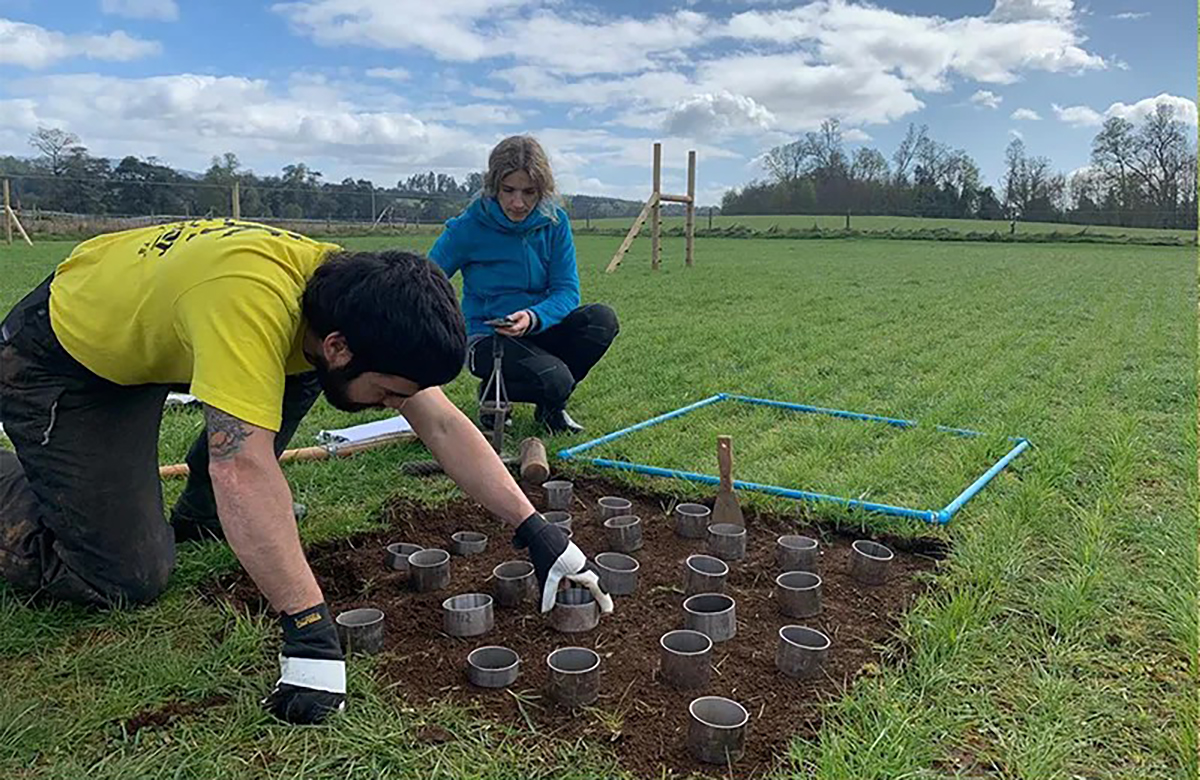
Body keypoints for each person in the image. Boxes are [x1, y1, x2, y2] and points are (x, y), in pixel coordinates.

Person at [0, 218, 610, 725]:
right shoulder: (253, 308)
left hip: (156, 323)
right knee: (127, 574)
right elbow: (240, 462)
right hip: (66, 360)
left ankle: (206, 514)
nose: (398, 405)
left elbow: (443, 423)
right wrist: (309, 627)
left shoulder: (346, 293)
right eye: (392, 392)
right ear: (343, 346)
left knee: (296, 376)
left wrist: (536, 529)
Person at [429, 135, 619, 434]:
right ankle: (495, 393)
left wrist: (533, 317)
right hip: (488, 338)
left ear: (543, 191)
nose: (518, 203)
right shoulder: (467, 228)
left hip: (538, 328)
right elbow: (428, 281)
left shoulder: (555, 222)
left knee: (601, 320)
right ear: (493, 187)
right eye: (508, 190)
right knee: (556, 379)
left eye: (529, 192)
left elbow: (566, 290)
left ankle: (550, 409)